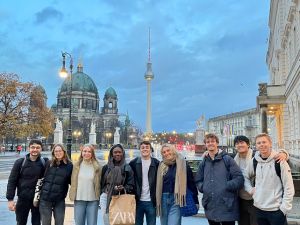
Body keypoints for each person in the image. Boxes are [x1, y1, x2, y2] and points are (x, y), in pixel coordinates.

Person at [233, 135, 288, 225]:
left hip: (257, 200)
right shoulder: (233, 159)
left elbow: (273, 154)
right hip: (241, 198)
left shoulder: (256, 156)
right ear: (235, 146)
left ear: (248, 145)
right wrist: (207, 152)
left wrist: (284, 153)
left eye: (242, 142)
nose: (240, 145)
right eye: (237, 143)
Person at [195, 133, 244, 225]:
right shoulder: (204, 162)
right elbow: (198, 180)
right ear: (205, 144)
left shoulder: (227, 159)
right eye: (208, 142)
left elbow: (239, 178)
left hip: (227, 204)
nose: (210, 143)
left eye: (213, 141)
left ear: (217, 143)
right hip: (210, 204)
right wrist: (203, 187)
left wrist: (226, 186)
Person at [6, 139, 48, 225]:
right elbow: (12, 181)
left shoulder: (45, 162)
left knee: (36, 223)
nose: (35, 150)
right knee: (21, 222)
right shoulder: (20, 162)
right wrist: (10, 199)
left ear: (41, 149)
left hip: (38, 199)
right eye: (33, 147)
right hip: (22, 198)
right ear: (29, 148)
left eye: (37, 147)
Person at [156, 143, 199, 225]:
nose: (166, 153)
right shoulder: (161, 165)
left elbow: (191, 184)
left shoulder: (183, 164)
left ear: (173, 150)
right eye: (164, 152)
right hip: (163, 199)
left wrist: (196, 200)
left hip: (176, 199)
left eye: (168, 150)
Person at [100, 144, 135, 225]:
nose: (117, 154)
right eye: (115, 152)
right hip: (106, 197)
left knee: (119, 221)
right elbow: (102, 183)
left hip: (121, 198)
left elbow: (131, 184)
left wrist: (123, 188)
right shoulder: (106, 167)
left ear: (123, 153)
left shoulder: (127, 168)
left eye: (119, 152)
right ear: (112, 154)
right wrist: (103, 192)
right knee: (107, 221)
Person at [39, 144, 73, 225]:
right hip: (45, 199)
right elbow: (41, 178)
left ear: (64, 152)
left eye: (60, 151)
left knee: (59, 222)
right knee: (45, 223)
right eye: (56, 151)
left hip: (59, 200)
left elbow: (72, 182)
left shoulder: (69, 166)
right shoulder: (48, 163)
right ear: (53, 153)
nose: (58, 153)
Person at [69, 144, 102, 225]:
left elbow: (101, 182)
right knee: (79, 223)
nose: (86, 153)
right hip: (79, 199)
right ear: (81, 152)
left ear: (92, 154)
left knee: (92, 223)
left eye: (89, 152)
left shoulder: (97, 167)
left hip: (93, 200)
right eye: (84, 151)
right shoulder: (76, 166)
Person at [129, 141, 160, 225]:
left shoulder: (157, 163)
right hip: (137, 201)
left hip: (151, 201)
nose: (145, 149)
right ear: (139, 149)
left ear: (151, 150)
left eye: (147, 147)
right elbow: (129, 180)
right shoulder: (133, 163)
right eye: (142, 147)